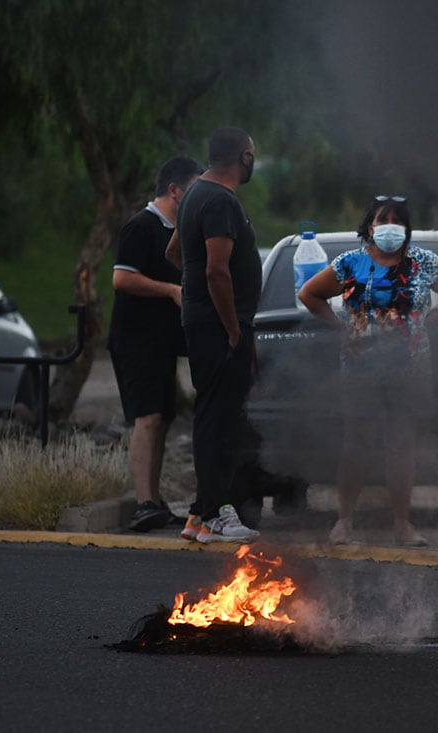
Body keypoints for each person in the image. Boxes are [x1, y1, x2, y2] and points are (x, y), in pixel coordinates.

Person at [298, 196, 438, 547]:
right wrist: (341, 328)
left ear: (407, 230)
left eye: (397, 220)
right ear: (369, 227)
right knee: (356, 444)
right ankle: (344, 522)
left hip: (409, 369)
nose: (390, 226)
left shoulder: (424, 262)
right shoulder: (350, 264)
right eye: (383, 220)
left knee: (401, 445)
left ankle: (402, 524)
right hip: (360, 369)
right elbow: (309, 294)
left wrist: (434, 318)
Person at [165, 127, 262, 543]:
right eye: (252, 154)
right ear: (243, 156)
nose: (253, 161)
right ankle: (217, 512)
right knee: (220, 420)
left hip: (202, 322)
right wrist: (232, 328)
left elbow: (174, 252)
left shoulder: (193, 197)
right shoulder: (220, 200)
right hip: (220, 328)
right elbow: (215, 270)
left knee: (210, 415)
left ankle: (197, 516)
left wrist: (195, 300)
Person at [109, 155, 203, 531]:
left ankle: (156, 500)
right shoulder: (141, 226)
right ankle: (143, 502)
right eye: (193, 189)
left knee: (162, 419)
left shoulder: (177, 230)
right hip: (136, 342)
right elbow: (121, 279)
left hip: (161, 344)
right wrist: (170, 290)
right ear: (174, 190)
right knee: (147, 419)